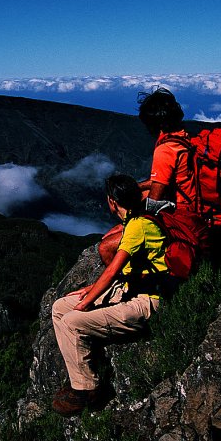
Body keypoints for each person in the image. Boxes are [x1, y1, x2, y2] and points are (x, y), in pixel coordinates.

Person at [51, 173, 170, 416]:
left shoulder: (138, 226)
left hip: (148, 301)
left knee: (72, 322)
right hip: (132, 288)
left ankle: (88, 390)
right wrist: (89, 291)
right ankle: (78, 374)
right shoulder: (136, 218)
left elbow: (112, 270)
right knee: (60, 307)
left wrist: (88, 301)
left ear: (112, 202)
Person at [99, 87, 206, 265]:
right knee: (138, 194)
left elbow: (154, 201)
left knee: (106, 245)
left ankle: (128, 282)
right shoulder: (185, 138)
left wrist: (128, 225)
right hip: (194, 209)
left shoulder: (165, 149)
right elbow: (166, 181)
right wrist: (138, 187)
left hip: (181, 217)